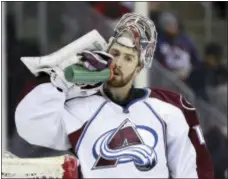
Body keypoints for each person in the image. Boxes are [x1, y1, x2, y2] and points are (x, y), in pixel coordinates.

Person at [15, 13, 214, 178]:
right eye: (115, 53)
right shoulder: (78, 106)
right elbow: (29, 125)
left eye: (128, 58)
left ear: (138, 68)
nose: (118, 63)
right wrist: (63, 79)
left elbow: (192, 170)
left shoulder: (171, 108)